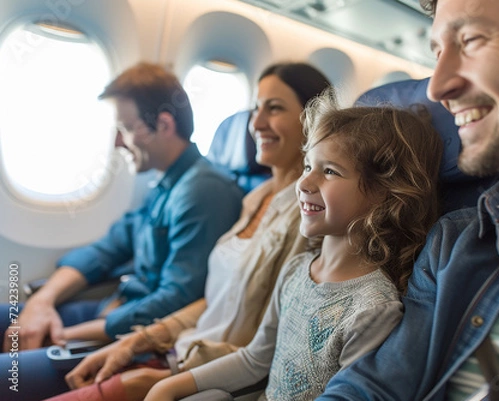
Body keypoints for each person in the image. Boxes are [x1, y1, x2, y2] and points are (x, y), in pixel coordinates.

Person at [317, 0, 499, 400]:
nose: (437, 87)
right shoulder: (455, 241)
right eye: (436, 52)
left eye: (471, 40)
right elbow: (375, 385)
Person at [35, 62, 332, 401]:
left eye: (274, 108)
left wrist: (166, 372)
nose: (256, 123)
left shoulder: (309, 217)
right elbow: (213, 297)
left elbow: (264, 341)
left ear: (313, 121)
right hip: (173, 345)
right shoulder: (254, 199)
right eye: (255, 108)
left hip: (196, 366)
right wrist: (137, 340)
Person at [143, 96, 444, 401]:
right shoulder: (297, 269)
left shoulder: (373, 308)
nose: (303, 182)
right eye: (308, 165)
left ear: (384, 194)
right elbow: (255, 360)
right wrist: (167, 387)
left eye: (330, 171)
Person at [0, 62, 244, 398]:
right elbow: (107, 248)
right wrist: (41, 303)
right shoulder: (163, 184)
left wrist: (69, 334)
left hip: (138, 336)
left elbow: (178, 298)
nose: (117, 143)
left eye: (125, 128)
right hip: (114, 309)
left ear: (163, 124)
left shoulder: (203, 192)